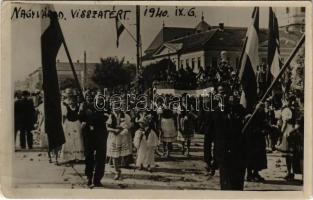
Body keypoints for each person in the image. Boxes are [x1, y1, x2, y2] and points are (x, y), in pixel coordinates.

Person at [207, 84, 246, 190]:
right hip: (222, 156)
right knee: (226, 187)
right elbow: (208, 138)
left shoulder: (238, 110)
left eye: (226, 93)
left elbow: (249, 119)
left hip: (238, 155)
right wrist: (208, 159)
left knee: (238, 188)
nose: (223, 96)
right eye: (221, 93)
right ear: (216, 95)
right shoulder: (213, 113)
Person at [80, 90, 108, 187]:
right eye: (98, 98)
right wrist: (84, 111)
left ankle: (97, 179)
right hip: (89, 136)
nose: (100, 100)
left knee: (101, 159)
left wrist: (92, 115)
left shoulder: (106, 107)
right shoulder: (87, 106)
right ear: (95, 98)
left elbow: (105, 118)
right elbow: (80, 118)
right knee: (89, 158)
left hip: (101, 136)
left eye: (101, 99)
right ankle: (89, 178)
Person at [245, 104, 268, 182]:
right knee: (251, 157)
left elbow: (264, 125)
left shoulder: (262, 116)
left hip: (259, 140)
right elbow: (249, 129)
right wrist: (259, 131)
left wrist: (266, 130)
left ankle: (256, 173)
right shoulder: (250, 117)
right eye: (261, 108)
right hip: (252, 141)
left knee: (259, 158)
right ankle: (249, 174)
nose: (263, 109)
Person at [61, 89, 84, 163]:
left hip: (76, 124)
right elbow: (64, 117)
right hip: (68, 124)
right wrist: (63, 126)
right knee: (69, 140)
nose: (72, 101)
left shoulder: (78, 107)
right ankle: (69, 157)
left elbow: (81, 116)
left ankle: (78, 156)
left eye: (73, 100)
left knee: (78, 139)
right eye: (70, 100)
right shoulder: (66, 107)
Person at [106, 109, 130, 180]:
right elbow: (107, 127)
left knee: (119, 155)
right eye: (114, 107)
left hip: (121, 136)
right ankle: (117, 171)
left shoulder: (123, 115)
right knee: (114, 155)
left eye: (118, 106)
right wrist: (114, 130)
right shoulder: (111, 115)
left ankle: (118, 170)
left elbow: (126, 126)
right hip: (113, 137)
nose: (116, 108)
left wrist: (123, 129)